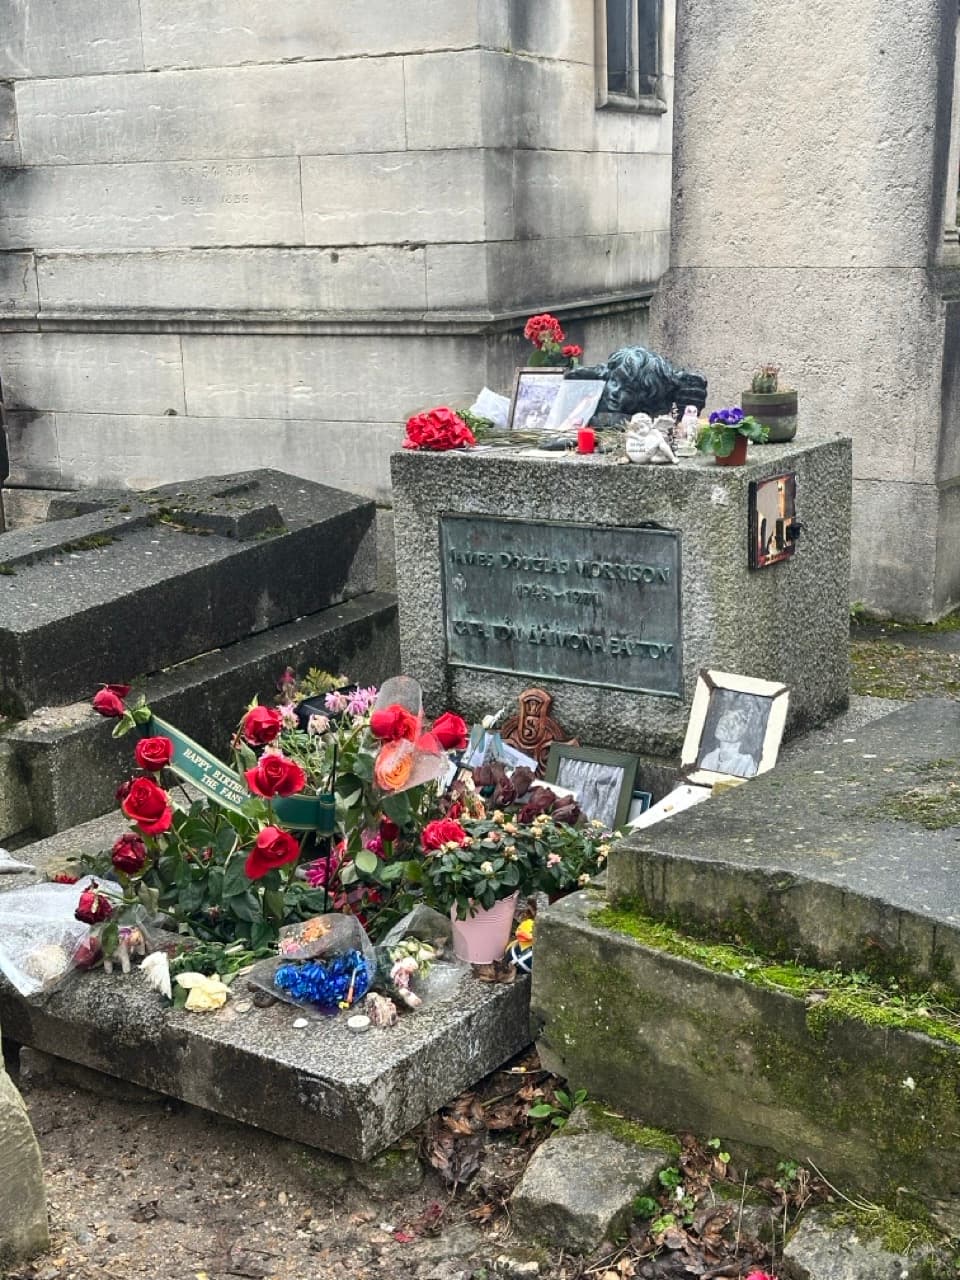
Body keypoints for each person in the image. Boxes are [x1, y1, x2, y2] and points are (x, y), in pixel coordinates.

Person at [700, 707, 758, 777]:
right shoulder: (709, 758)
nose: (724, 721)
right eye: (726, 715)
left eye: (736, 719)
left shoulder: (746, 763)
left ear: (744, 730)